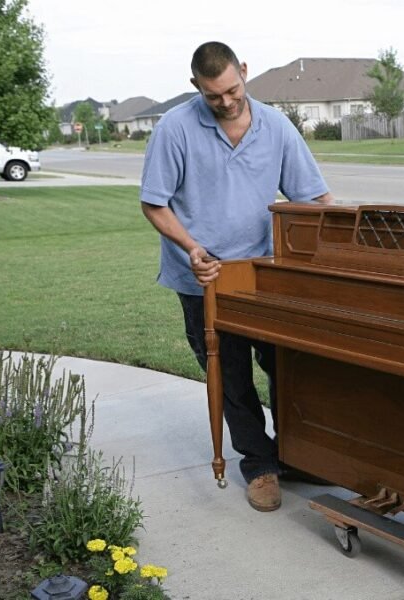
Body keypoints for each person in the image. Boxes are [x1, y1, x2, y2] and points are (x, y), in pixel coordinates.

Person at [140, 41, 334, 513]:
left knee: (288, 366)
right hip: (203, 278)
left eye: (232, 90)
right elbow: (154, 202)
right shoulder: (175, 128)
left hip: (264, 275)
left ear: (244, 71)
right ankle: (260, 465)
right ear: (196, 88)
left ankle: (297, 452)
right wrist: (191, 249)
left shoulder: (277, 126)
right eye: (213, 96)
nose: (226, 102)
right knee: (230, 376)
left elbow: (314, 201)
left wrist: (340, 244)